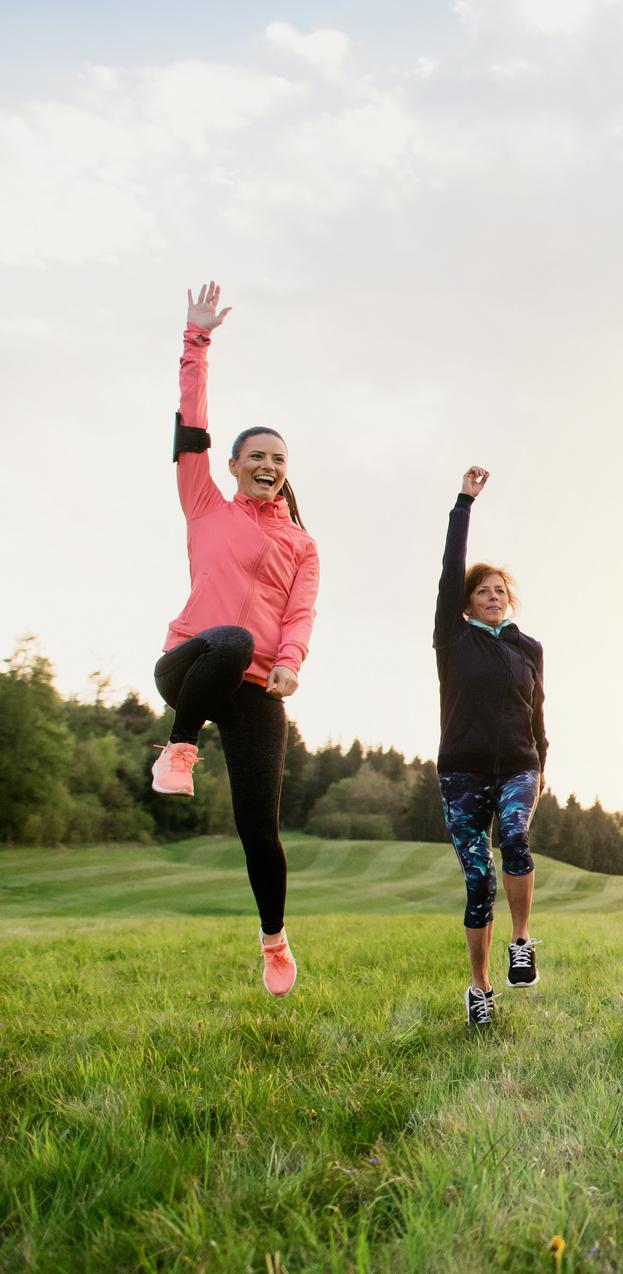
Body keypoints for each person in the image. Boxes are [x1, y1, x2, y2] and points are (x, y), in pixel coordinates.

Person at [150, 281, 319, 998]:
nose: (269, 465)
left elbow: (302, 615)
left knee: (261, 828)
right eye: (257, 455)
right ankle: (179, 745)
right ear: (233, 465)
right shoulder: (203, 504)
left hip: (255, 688)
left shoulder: (302, 543)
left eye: (279, 458)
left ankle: (274, 941)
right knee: (226, 639)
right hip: (192, 662)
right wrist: (197, 340)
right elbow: (192, 423)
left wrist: (289, 666)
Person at [435, 466, 549, 1027]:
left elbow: (539, 713)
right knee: (478, 878)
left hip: (520, 767)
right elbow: (450, 567)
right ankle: (480, 988)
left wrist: (542, 765)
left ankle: (522, 940)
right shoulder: (451, 639)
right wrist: (464, 504)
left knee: (516, 834)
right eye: (483, 591)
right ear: (466, 602)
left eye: (500, 591)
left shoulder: (529, 648)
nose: (493, 597)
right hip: (461, 772)